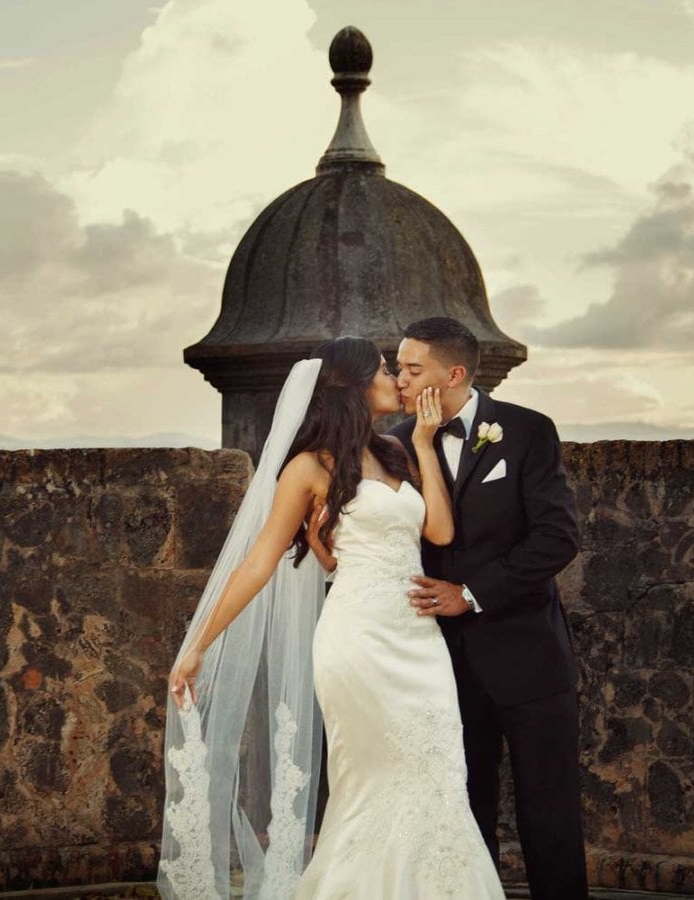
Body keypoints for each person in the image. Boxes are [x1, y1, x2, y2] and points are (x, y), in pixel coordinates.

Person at [160, 336, 505, 900]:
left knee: (438, 775)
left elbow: (439, 531)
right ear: (352, 386)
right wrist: (198, 644)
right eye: (385, 371)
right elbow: (258, 562)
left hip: (418, 640)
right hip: (358, 641)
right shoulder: (308, 467)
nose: (398, 379)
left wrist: (421, 442)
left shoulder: (396, 450)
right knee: (368, 783)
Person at [391, 317, 588, 900]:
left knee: (549, 814)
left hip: (529, 656)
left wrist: (470, 594)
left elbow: (556, 538)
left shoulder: (527, 431)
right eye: (398, 367)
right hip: (441, 666)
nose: (399, 378)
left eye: (411, 368)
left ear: (453, 374)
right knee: (461, 813)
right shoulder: (397, 444)